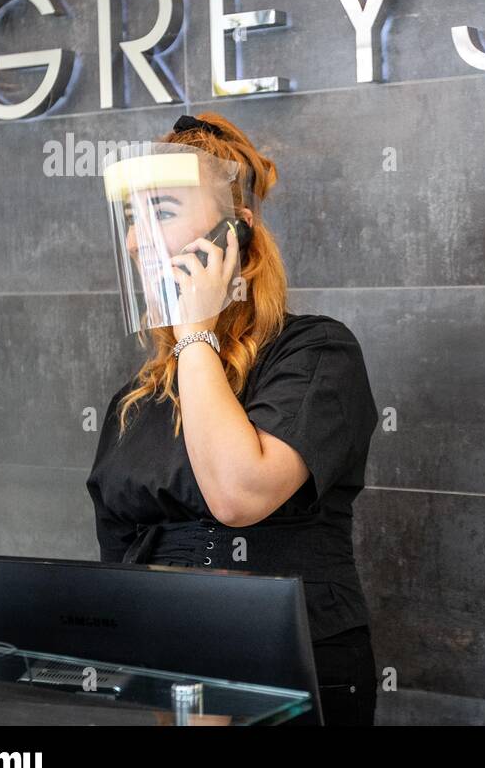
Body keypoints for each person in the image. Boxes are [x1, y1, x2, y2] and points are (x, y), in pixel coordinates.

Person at [85, 113, 380, 725]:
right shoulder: (137, 398)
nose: (138, 240)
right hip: (174, 671)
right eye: (133, 220)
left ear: (236, 234)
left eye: (161, 212)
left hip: (291, 670)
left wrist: (195, 331)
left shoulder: (315, 353)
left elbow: (238, 496)